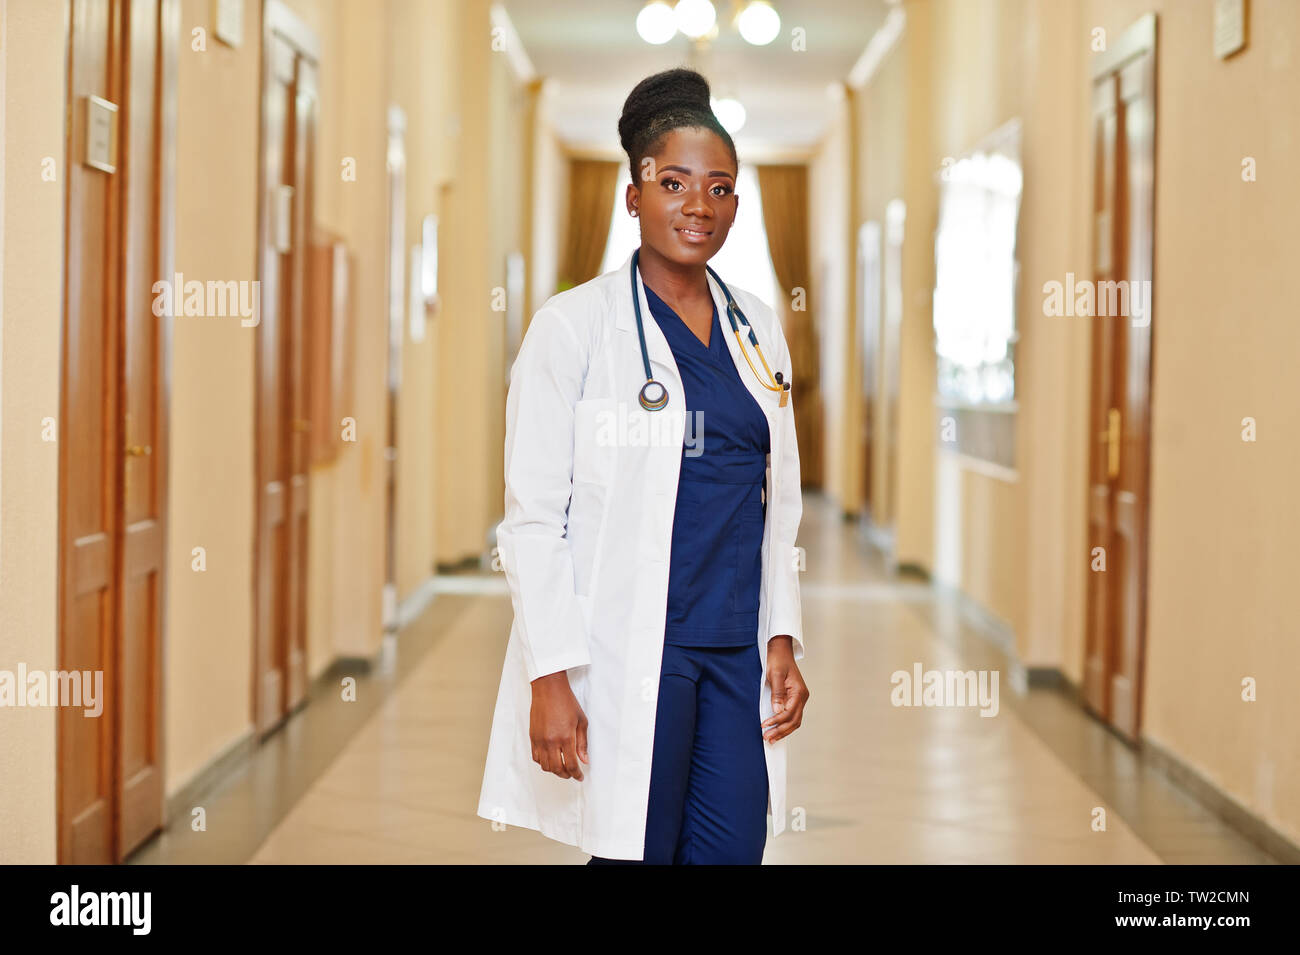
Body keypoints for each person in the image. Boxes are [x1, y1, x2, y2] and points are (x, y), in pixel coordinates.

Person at [477, 67, 809, 864]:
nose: (699, 204)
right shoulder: (572, 328)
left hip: (733, 650)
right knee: (635, 853)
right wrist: (549, 674)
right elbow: (531, 520)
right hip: (629, 647)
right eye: (675, 182)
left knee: (733, 849)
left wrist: (784, 635)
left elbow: (781, 500)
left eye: (722, 187)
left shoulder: (756, 327)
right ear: (634, 195)